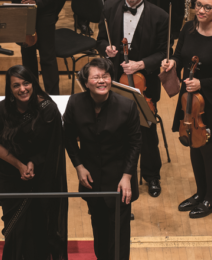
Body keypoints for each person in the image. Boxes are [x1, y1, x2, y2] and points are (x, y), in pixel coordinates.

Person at [162, 0, 212, 218]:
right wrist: (173, 63)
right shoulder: (188, 28)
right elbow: (180, 55)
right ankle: (199, 193)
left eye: (207, 7)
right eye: (198, 4)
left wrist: (203, 84)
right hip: (189, 99)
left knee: (208, 148)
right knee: (193, 144)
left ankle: (211, 198)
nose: (201, 10)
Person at [0, 65, 68, 259]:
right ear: (10, 89)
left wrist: (32, 161)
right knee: (15, 227)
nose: (22, 89)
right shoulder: (0, 112)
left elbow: (53, 145)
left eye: (26, 83)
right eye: (16, 86)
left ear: (33, 83)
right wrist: (19, 165)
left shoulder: (47, 109)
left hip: (42, 175)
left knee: (41, 225)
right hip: (10, 174)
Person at [64, 58, 141, 260]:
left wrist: (127, 176)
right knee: (99, 229)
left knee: (119, 235)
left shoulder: (127, 106)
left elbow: (135, 144)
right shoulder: (75, 103)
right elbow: (68, 138)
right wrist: (79, 166)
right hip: (92, 180)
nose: (102, 81)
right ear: (85, 81)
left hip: (119, 180)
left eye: (105, 76)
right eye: (96, 77)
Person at [97, 0, 168, 197]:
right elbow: (100, 40)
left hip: (144, 84)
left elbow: (164, 52)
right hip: (115, 81)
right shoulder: (109, 9)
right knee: (114, 128)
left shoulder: (160, 16)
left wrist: (141, 65)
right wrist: (107, 49)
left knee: (147, 129)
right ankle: (116, 172)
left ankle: (151, 175)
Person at [11, 0, 61, 95]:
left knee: (48, 57)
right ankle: (30, 94)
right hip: (24, 10)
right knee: (27, 56)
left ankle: (53, 96)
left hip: (45, 11)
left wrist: (36, 2)